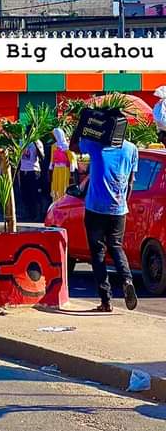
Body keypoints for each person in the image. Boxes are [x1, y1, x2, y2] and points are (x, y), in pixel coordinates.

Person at [70, 127, 139, 312]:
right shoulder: (132, 149)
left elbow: (73, 146)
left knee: (98, 254)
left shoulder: (95, 145)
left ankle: (106, 301)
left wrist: (82, 125)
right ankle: (126, 280)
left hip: (95, 209)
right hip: (119, 209)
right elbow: (131, 181)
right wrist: (123, 205)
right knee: (116, 247)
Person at [19, 139, 44, 221]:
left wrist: (37, 146)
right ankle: (28, 213)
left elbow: (42, 157)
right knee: (25, 193)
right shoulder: (21, 141)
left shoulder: (37, 142)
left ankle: (37, 214)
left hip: (34, 170)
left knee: (35, 194)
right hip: (23, 170)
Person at [50, 127, 75, 202]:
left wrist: (72, 167)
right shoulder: (54, 146)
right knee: (56, 184)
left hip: (64, 169)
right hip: (56, 169)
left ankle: (63, 201)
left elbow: (71, 157)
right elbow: (52, 157)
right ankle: (55, 201)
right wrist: (51, 165)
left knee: (63, 184)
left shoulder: (66, 146)